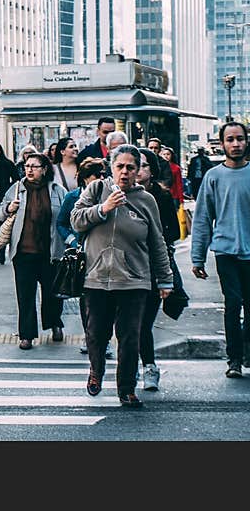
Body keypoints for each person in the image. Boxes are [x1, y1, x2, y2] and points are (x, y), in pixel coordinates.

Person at [71, 144, 173, 408]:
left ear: (138, 170)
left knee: (130, 336)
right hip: (96, 277)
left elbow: (157, 242)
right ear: (111, 167)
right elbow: (76, 219)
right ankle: (96, 370)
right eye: (120, 167)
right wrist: (103, 208)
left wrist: (165, 279)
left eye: (131, 167)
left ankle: (126, 388)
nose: (125, 172)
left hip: (134, 279)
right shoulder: (96, 190)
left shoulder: (146, 200)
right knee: (96, 333)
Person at [192, 122, 250, 378]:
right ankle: (234, 359)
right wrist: (197, 257)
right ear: (222, 143)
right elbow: (203, 218)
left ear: (246, 141)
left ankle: (247, 351)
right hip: (225, 251)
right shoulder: (213, 176)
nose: (235, 144)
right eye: (230, 139)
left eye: (239, 139)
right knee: (233, 304)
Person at [0, 153, 67, 350]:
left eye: (34, 166)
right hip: (23, 252)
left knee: (52, 293)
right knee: (25, 296)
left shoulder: (56, 190)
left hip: (50, 252)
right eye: (27, 166)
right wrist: (8, 208)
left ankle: (54, 323)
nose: (29, 170)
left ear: (44, 169)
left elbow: (65, 216)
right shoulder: (17, 188)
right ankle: (26, 335)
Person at [55, 157, 111, 358]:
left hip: (105, 253)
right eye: (97, 175)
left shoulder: (109, 196)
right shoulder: (73, 197)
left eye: (104, 175)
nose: (102, 179)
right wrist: (72, 241)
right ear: (86, 179)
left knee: (106, 297)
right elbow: (61, 223)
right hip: (83, 255)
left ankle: (103, 339)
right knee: (87, 299)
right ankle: (91, 337)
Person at [137, 148, 180, 391]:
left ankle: (149, 367)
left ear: (152, 171)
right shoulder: (120, 195)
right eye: (135, 165)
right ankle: (131, 366)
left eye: (143, 166)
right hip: (127, 268)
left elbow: (173, 231)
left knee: (143, 323)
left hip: (153, 267)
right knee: (128, 323)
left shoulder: (161, 197)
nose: (137, 170)